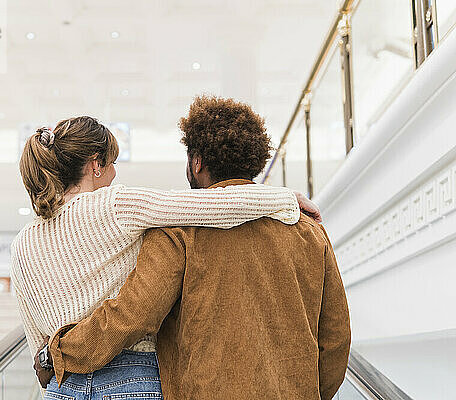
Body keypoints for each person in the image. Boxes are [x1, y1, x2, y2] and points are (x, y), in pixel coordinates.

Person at [34, 97, 350, 400]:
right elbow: (335, 339)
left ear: (196, 162)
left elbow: (132, 315)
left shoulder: (178, 232)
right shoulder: (309, 231)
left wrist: (60, 351)